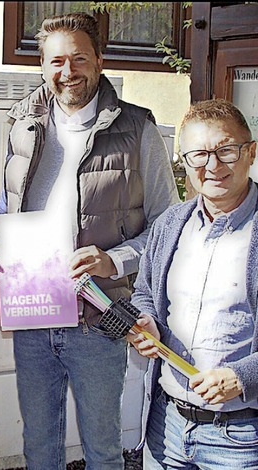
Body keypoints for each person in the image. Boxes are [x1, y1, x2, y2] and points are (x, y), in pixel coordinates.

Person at [0, 12, 179, 469]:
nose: (67, 72)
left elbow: (169, 226)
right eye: (56, 61)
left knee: (103, 450)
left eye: (78, 59)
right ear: (42, 66)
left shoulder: (138, 129)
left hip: (102, 318)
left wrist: (114, 261)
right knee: (39, 448)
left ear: (100, 61)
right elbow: (5, 207)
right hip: (33, 316)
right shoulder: (23, 126)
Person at [128, 99, 258, 468]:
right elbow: (145, 293)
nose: (213, 166)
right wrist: (146, 321)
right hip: (166, 425)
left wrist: (242, 377)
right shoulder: (170, 224)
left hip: (242, 438)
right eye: (199, 155)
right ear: (183, 162)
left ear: (250, 152)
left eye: (226, 151)